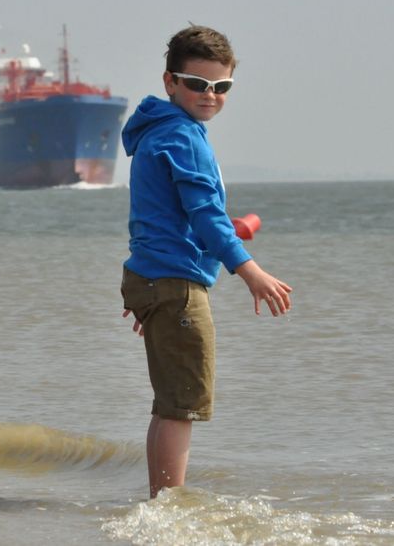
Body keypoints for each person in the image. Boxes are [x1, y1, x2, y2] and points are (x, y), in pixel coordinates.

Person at [119, 26, 293, 498]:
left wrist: (152, 291)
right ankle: (169, 508)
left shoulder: (158, 131)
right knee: (182, 407)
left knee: (168, 404)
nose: (209, 95)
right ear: (170, 81)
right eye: (197, 84)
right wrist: (249, 271)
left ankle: (160, 501)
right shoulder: (183, 137)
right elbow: (205, 218)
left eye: (222, 87)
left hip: (154, 279)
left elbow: (169, 217)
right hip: (172, 286)